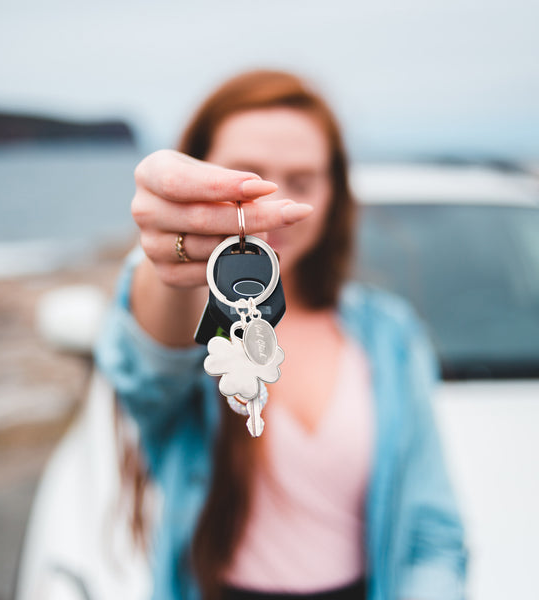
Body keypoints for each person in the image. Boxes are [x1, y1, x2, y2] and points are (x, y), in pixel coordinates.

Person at [75, 70, 466, 600]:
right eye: (245, 177)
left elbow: (432, 535)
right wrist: (165, 263)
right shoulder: (198, 321)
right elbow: (146, 368)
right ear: (198, 176)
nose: (268, 202)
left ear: (333, 194)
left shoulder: (390, 335)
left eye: (301, 180)